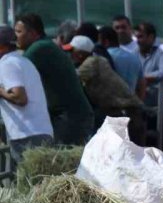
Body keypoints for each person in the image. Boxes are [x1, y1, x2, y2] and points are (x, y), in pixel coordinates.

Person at [15, 13, 94, 145]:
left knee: (62, 162)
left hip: (69, 118)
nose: (15, 36)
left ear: (33, 33)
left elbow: (14, 72)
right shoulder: (45, 45)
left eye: (19, 32)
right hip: (71, 116)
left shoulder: (39, 48)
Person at [69, 35, 145, 143]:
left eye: (72, 51)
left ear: (80, 54)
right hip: (127, 113)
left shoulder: (91, 63)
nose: (70, 54)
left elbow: (71, 78)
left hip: (125, 114)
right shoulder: (98, 60)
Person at [0, 25, 53, 163]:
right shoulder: (23, 61)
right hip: (39, 131)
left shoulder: (7, 64)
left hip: (26, 135)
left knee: (30, 182)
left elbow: (20, 97)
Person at [98, 25, 145, 99]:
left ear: (106, 42)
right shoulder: (134, 58)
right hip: (131, 104)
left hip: (111, 104)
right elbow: (142, 84)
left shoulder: (103, 57)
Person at [135, 21, 163, 106]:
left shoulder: (162, 52)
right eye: (137, 37)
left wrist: (143, 78)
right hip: (144, 107)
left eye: (141, 37)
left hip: (161, 109)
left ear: (151, 37)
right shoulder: (135, 52)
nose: (138, 41)